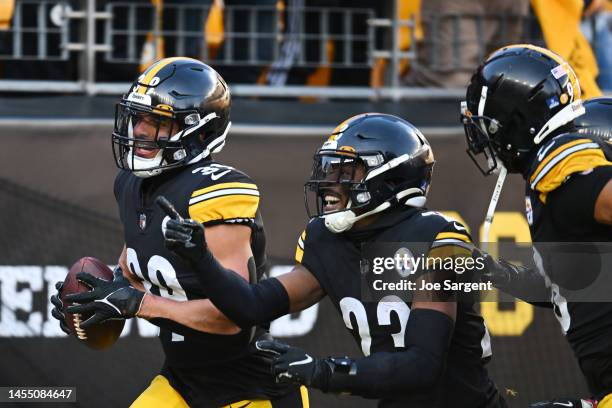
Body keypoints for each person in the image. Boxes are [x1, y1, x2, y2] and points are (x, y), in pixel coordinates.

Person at [159, 113, 507, 407]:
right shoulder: (327, 240)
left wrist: (322, 370)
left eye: (345, 172)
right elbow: (252, 306)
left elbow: (422, 365)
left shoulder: (434, 239)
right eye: (328, 170)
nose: (328, 183)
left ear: (391, 177)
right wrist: (201, 258)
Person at [49, 57, 308, 407]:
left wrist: (142, 305)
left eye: (157, 122)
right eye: (138, 117)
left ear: (200, 133)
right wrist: (97, 297)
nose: (139, 130)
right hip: (182, 380)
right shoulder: (130, 183)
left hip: (250, 386)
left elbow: (234, 317)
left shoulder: (216, 192)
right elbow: (134, 270)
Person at [461, 44, 612, 406]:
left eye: (486, 125)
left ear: (512, 120)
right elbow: (572, 286)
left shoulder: (558, 156)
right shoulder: (553, 175)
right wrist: (492, 270)